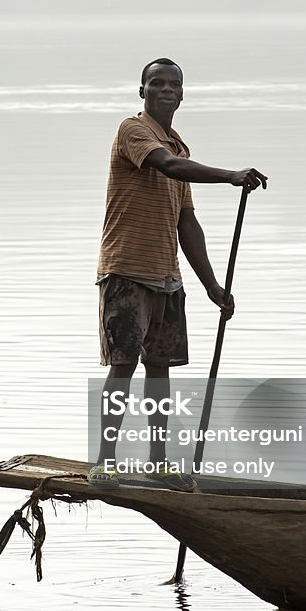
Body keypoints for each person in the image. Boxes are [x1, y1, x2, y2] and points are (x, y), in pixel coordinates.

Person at [91, 57, 267, 489]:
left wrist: (212, 286)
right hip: (127, 270)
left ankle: (159, 463)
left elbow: (186, 223)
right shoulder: (134, 131)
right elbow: (166, 165)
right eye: (157, 83)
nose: (166, 90)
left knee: (160, 370)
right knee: (123, 366)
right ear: (143, 91)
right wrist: (230, 176)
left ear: (183, 94)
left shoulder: (179, 145)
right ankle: (105, 461)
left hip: (167, 278)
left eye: (173, 84)